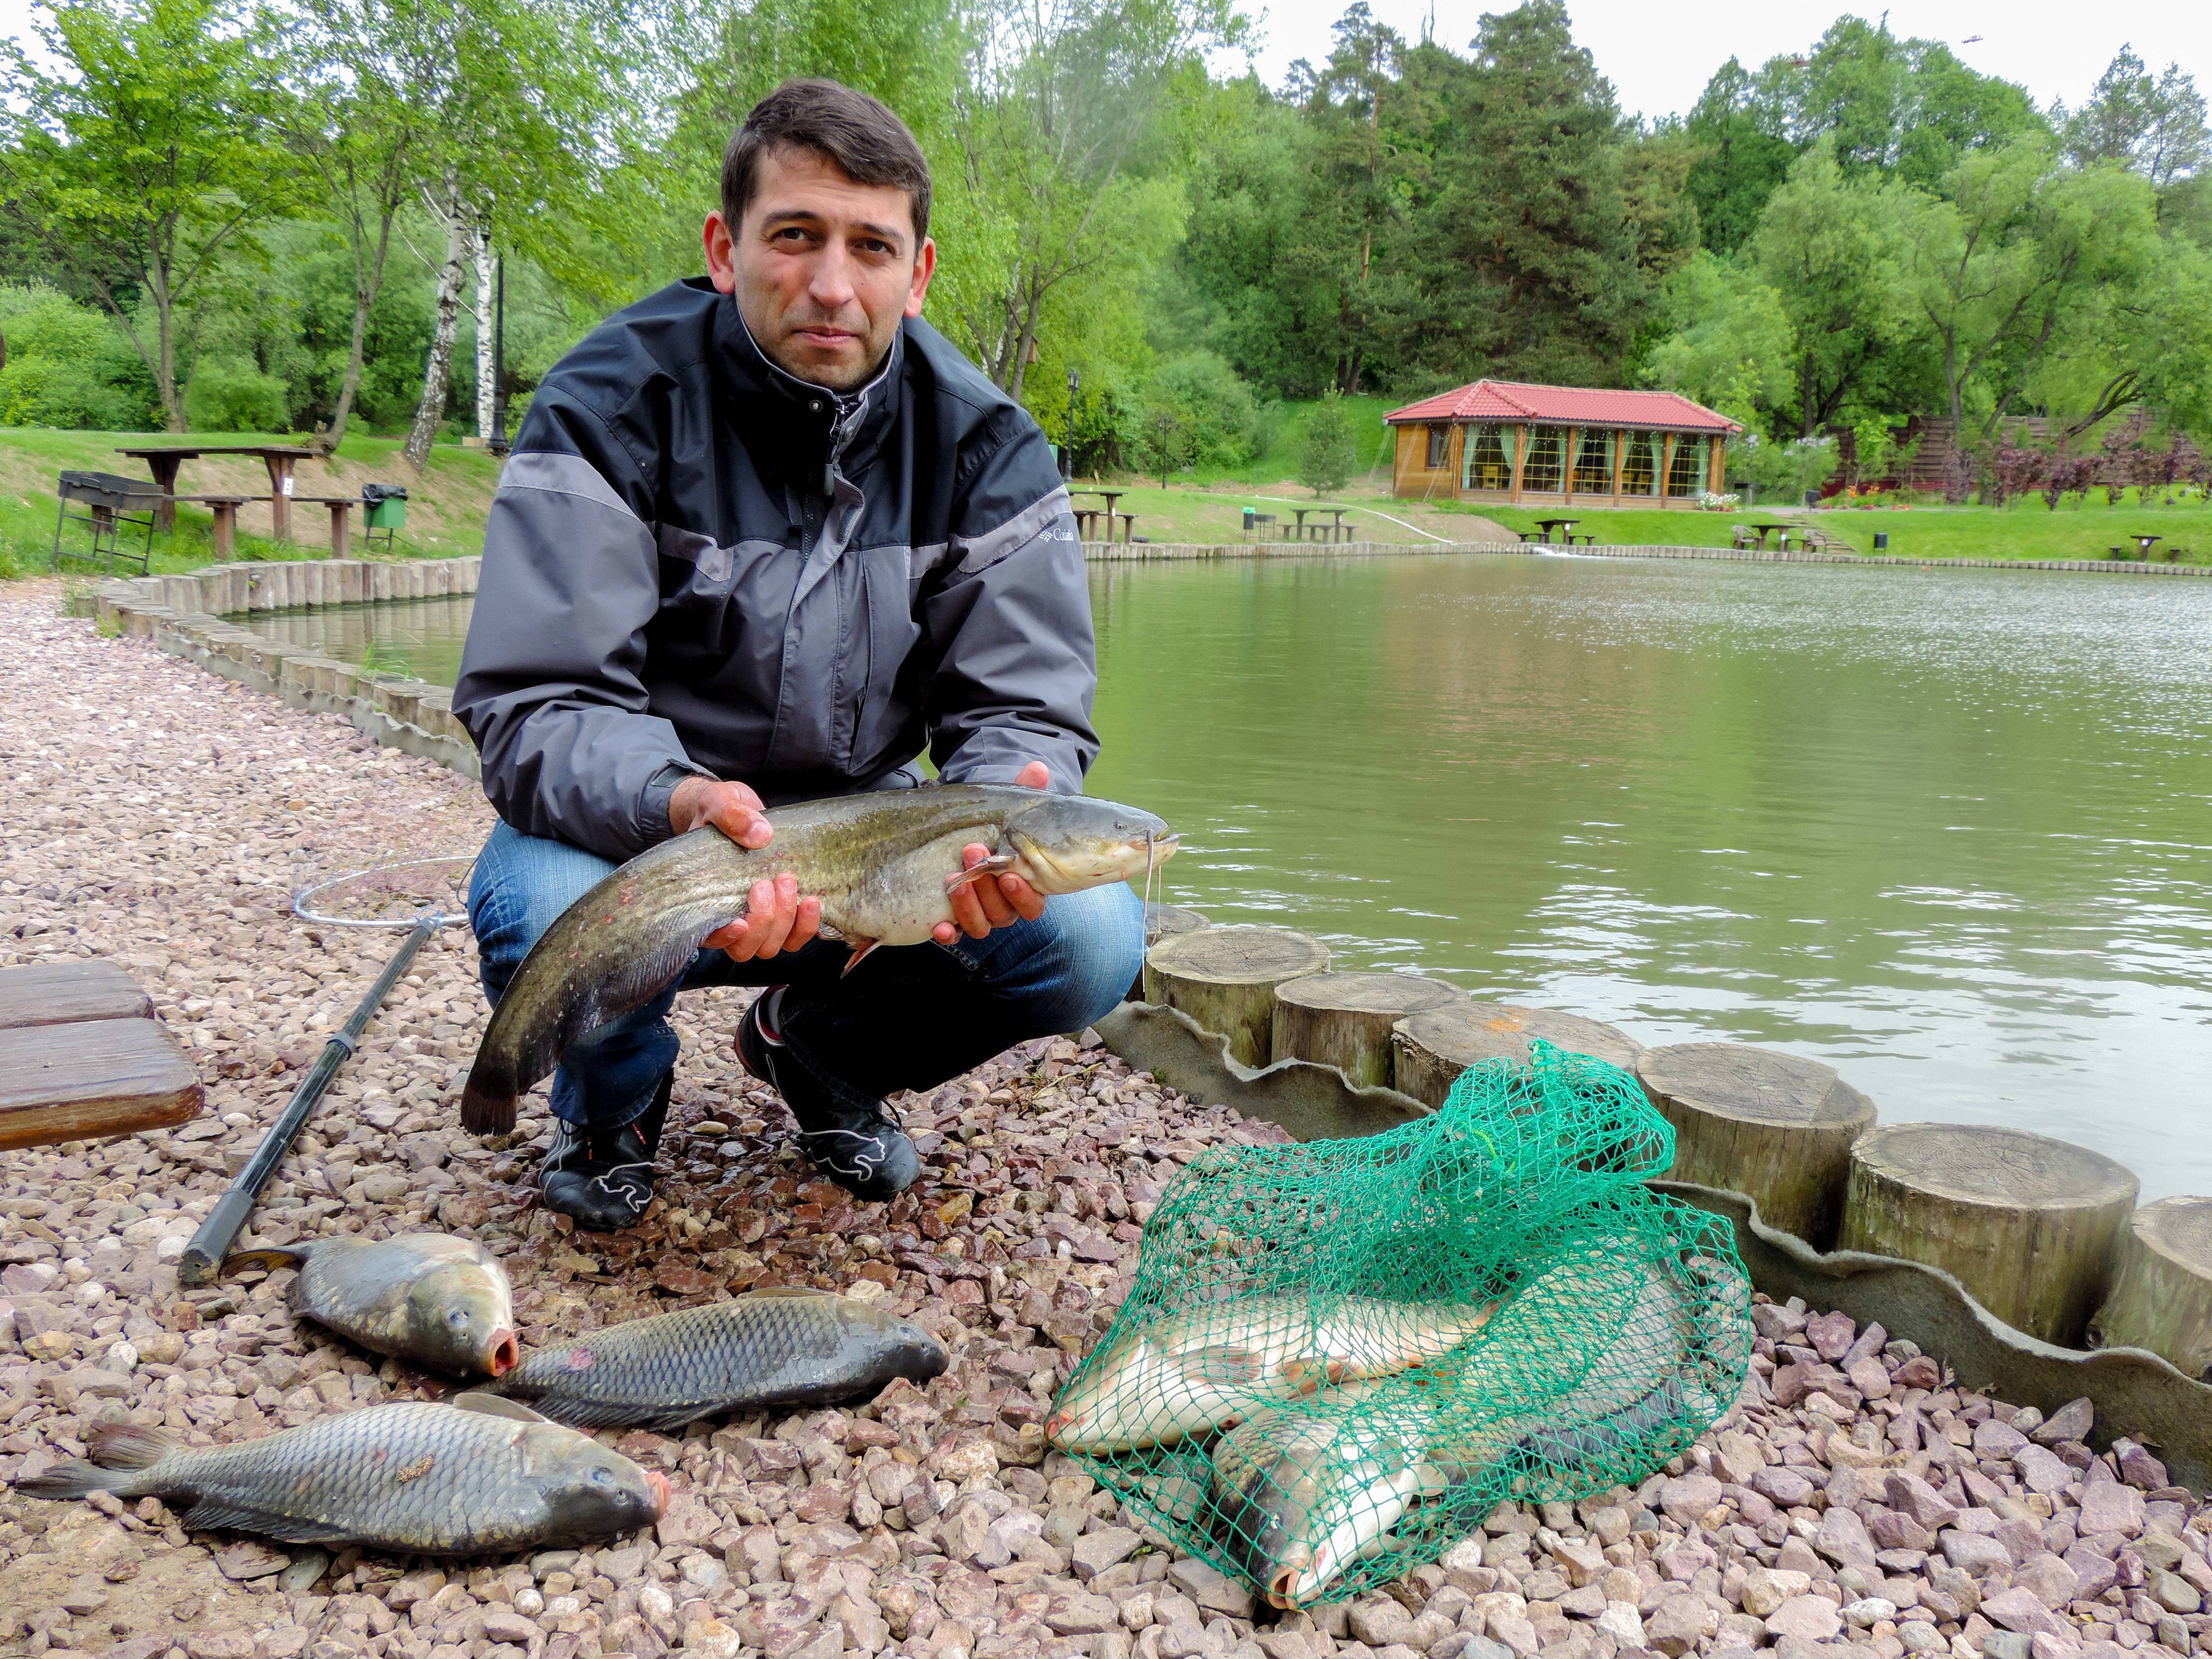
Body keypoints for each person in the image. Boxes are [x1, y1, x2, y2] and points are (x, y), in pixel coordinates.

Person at [453, 79, 1143, 1232]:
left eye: (872, 247)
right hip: (652, 825)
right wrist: (675, 804)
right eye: (796, 237)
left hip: (871, 832)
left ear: (917, 275)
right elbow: (538, 700)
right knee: (537, 905)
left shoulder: (990, 448)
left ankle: (816, 1051)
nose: (834, 285)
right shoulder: (605, 405)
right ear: (727, 249)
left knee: (1090, 936)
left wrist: (1019, 796)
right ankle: (611, 1101)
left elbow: (1024, 712)